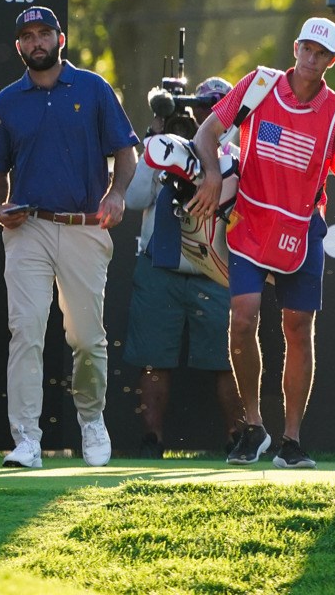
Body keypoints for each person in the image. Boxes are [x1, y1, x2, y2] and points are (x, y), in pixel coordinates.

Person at [189, 16, 335, 469]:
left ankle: (291, 440)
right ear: (295, 48)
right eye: (307, 48)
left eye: (321, 54)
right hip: (248, 221)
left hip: (302, 228)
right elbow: (207, 133)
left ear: (332, 61)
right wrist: (211, 176)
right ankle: (253, 426)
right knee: (242, 318)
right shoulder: (258, 85)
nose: (311, 59)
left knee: (298, 327)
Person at [0, 6, 138, 469]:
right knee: (26, 331)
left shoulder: (93, 88)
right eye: (28, 36)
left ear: (60, 39)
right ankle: (26, 439)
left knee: (87, 339)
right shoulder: (6, 101)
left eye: (44, 34)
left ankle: (91, 420)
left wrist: (117, 194)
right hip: (28, 227)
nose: (37, 42)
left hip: (84, 226)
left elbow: (125, 153)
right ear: (19, 46)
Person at [124, 76, 243, 458]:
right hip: (161, 267)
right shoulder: (164, 148)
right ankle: (152, 439)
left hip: (215, 268)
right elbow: (134, 199)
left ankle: (238, 438)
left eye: (216, 108)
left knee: (228, 360)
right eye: (201, 108)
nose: (206, 116)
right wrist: (157, 144)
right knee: (154, 358)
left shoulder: (238, 155)